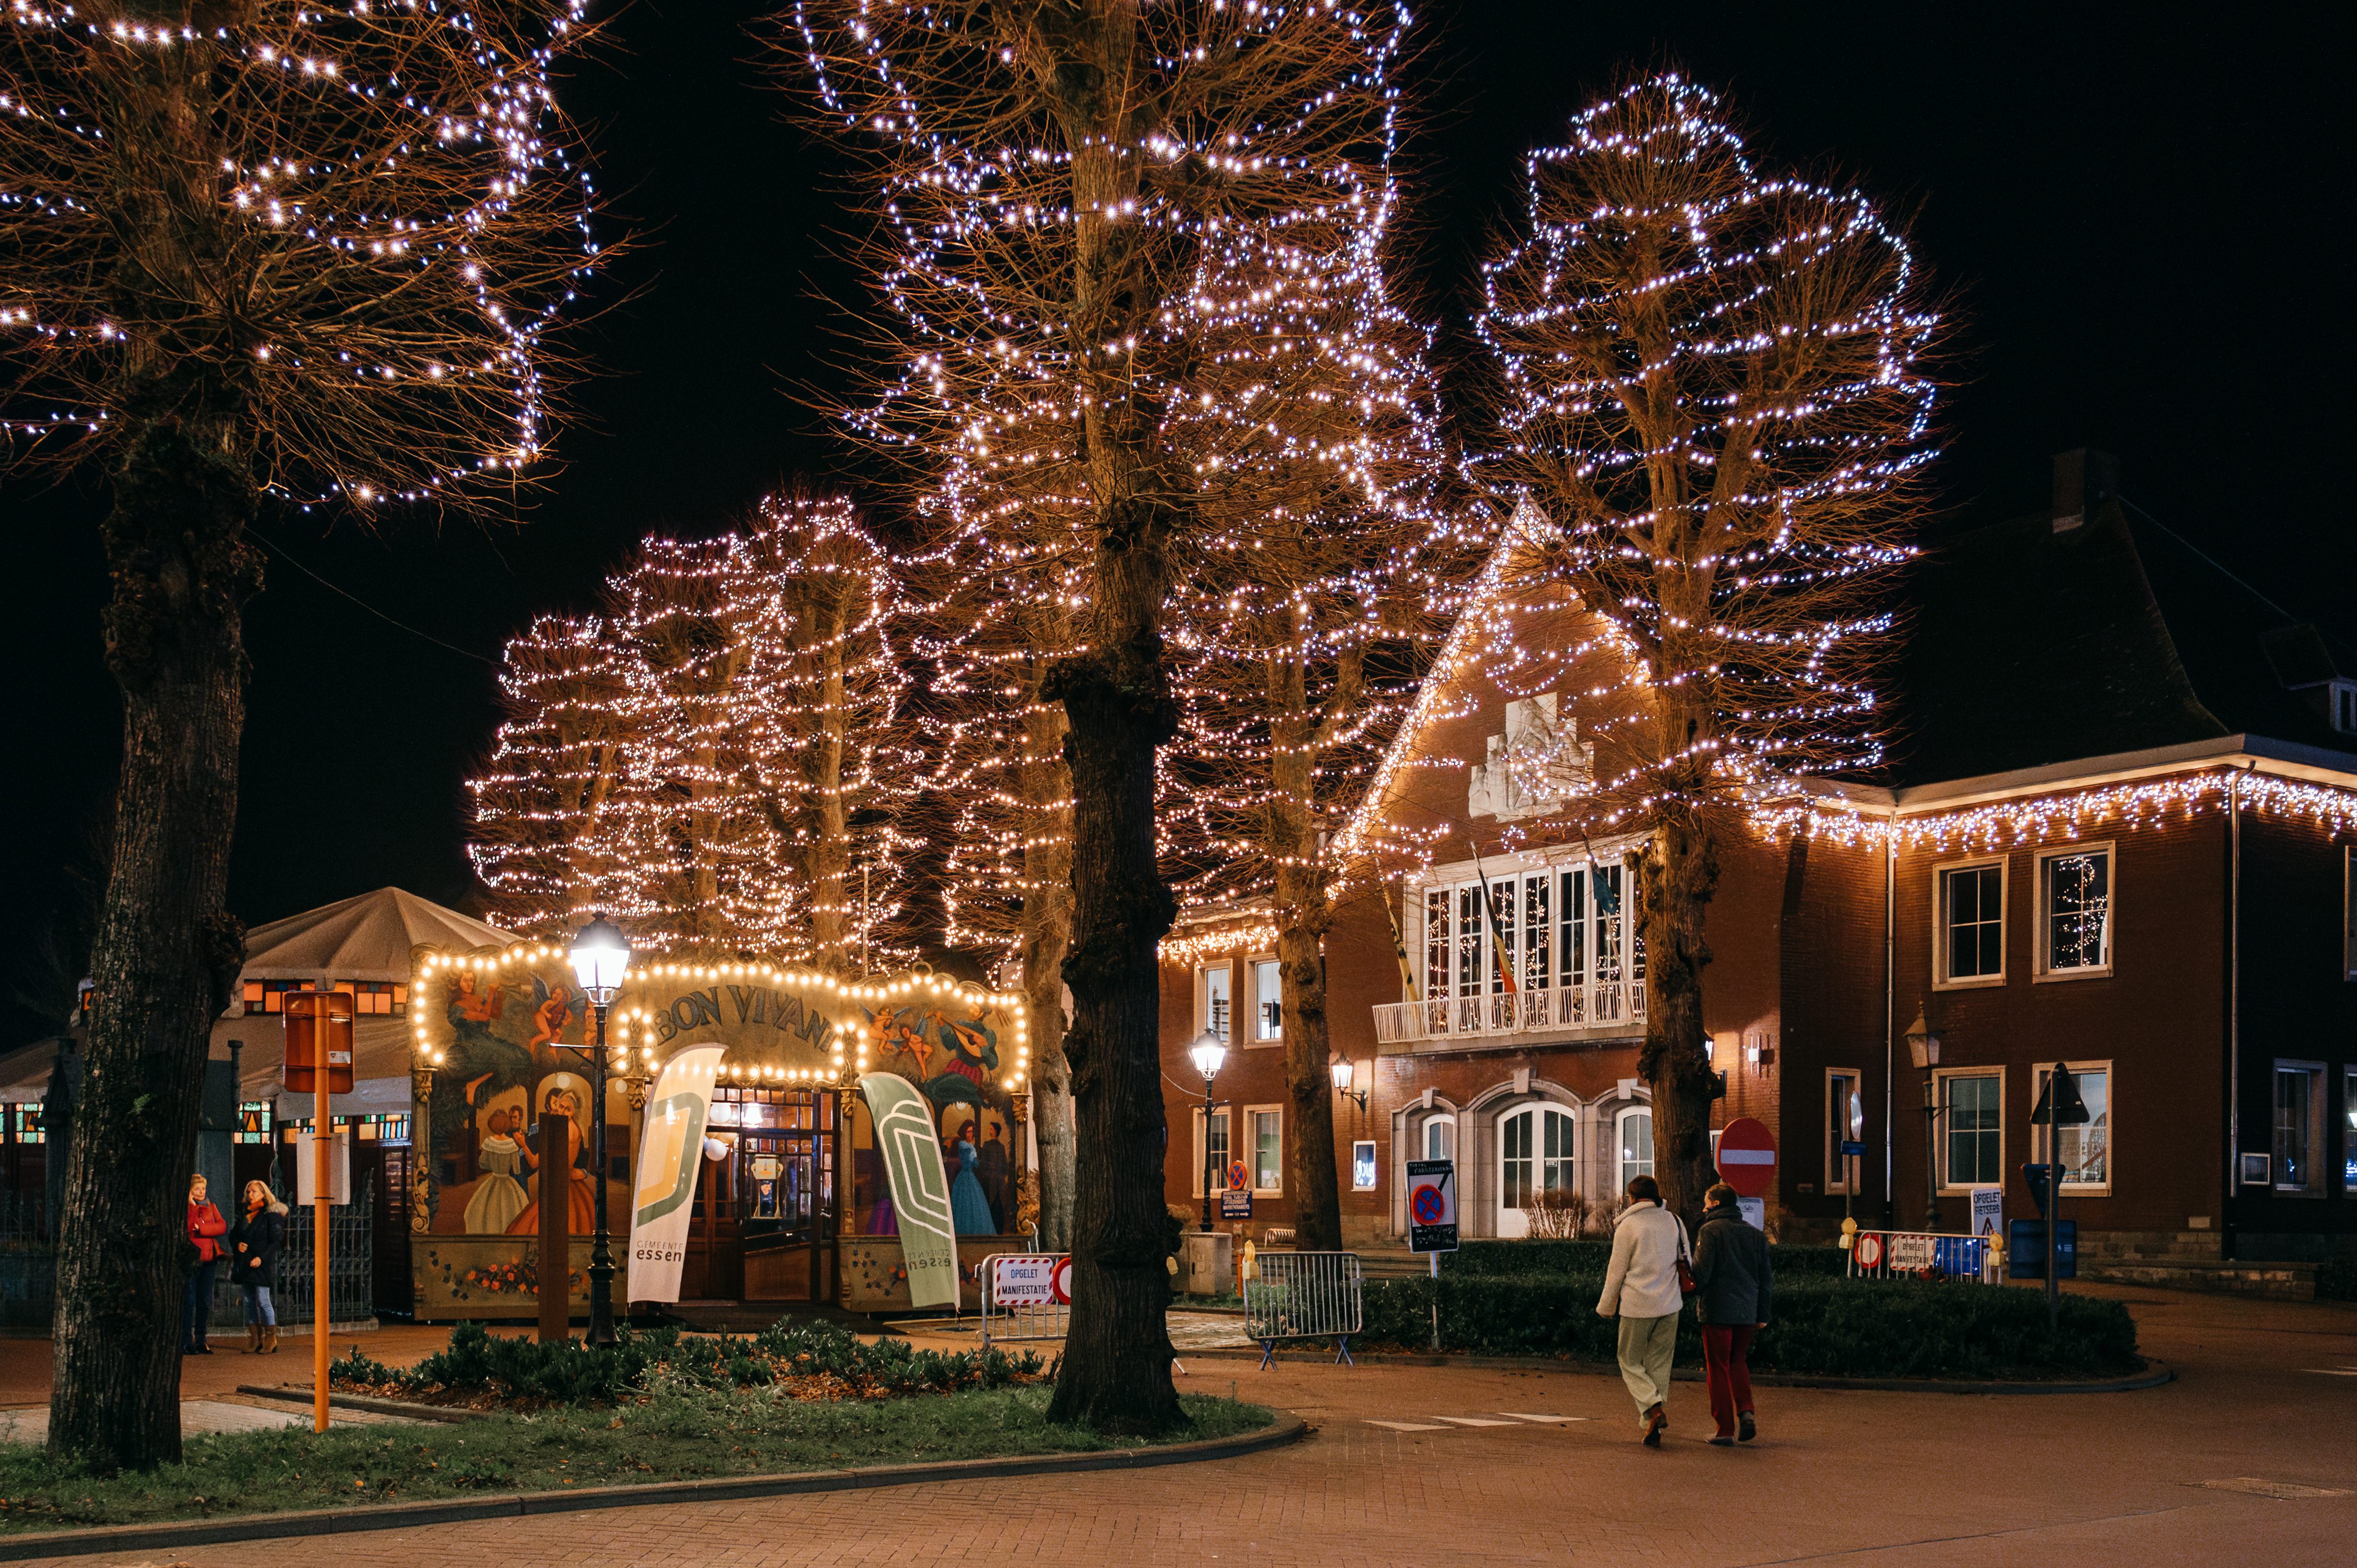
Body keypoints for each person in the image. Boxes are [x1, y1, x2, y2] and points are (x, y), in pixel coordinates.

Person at [1595, 1173, 1689, 1446]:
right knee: (1659, 1363)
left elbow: (1616, 1272)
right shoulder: (1675, 1221)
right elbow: (1686, 1260)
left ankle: (1652, 1407)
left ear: (1632, 1197)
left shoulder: (1629, 1226)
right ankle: (1651, 1421)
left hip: (1638, 1305)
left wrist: (1607, 1306)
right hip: (1670, 1304)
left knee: (1629, 1360)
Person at [1692, 1180, 1772, 1445]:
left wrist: (1688, 1288)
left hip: (1717, 1309)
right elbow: (1765, 1278)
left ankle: (1724, 1429)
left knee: (1717, 1367)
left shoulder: (1710, 1231)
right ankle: (1746, 1410)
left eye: (1706, 1200)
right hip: (1747, 1311)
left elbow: (1702, 1275)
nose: (1703, 1205)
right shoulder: (1755, 1234)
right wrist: (1761, 1313)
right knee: (1738, 1362)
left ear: (1715, 1203)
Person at [228, 1180, 288, 1353]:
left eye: (254, 1192)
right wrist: (238, 1244)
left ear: (264, 1194)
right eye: (249, 1192)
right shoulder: (245, 1214)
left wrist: (261, 1258)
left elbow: (276, 1241)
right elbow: (234, 1236)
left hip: (261, 1264)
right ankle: (255, 1338)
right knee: (248, 1300)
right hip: (245, 1263)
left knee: (263, 1300)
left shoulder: (271, 1215)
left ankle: (271, 1338)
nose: (250, 1195)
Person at [464, 1108, 531, 1233]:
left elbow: (482, 1163)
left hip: (494, 1179)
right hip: (507, 1181)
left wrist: (494, 1166)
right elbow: (516, 1170)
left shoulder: (489, 1142)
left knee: (487, 1210)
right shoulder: (511, 1144)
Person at [183, 1174, 228, 1355]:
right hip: (194, 1258)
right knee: (189, 1300)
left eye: (204, 1188)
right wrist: (192, 1206)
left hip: (210, 1258)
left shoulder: (211, 1207)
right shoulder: (188, 1208)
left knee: (204, 1301)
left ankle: (201, 1339)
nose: (202, 1192)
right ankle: (186, 1340)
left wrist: (201, 1229)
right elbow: (188, 1226)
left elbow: (222, 1227)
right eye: (198, 1189)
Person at [948, 1121, 995, 1235]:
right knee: (973, 1206)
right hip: (968, 1176)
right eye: (968, 1132)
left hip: (961, 1178)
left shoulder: (958, 1145)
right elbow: (976, 1164)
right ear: (964, 1133)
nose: (970, 1134)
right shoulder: (969, 1147)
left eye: (971, 1132)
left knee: (961, 1205)